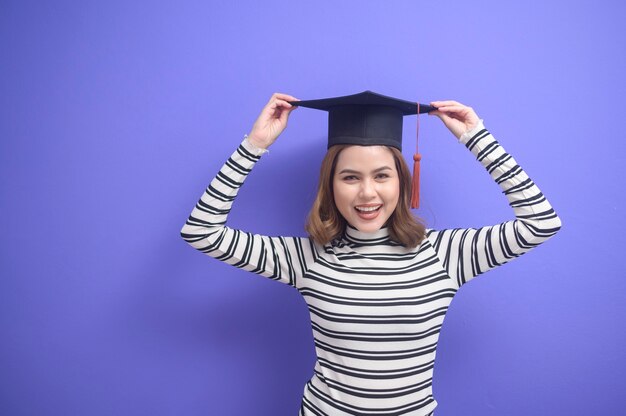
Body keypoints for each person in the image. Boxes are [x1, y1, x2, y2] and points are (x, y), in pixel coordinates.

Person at [180, 92, 562, 416]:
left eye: (382, 175)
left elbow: (540, 223)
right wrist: (255, 145)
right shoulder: (306, 257)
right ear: (330, 185)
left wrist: (478, 138)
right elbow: (201, 231)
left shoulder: (446, 254)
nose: (367, 194)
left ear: (402, 180)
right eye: (350, 177)